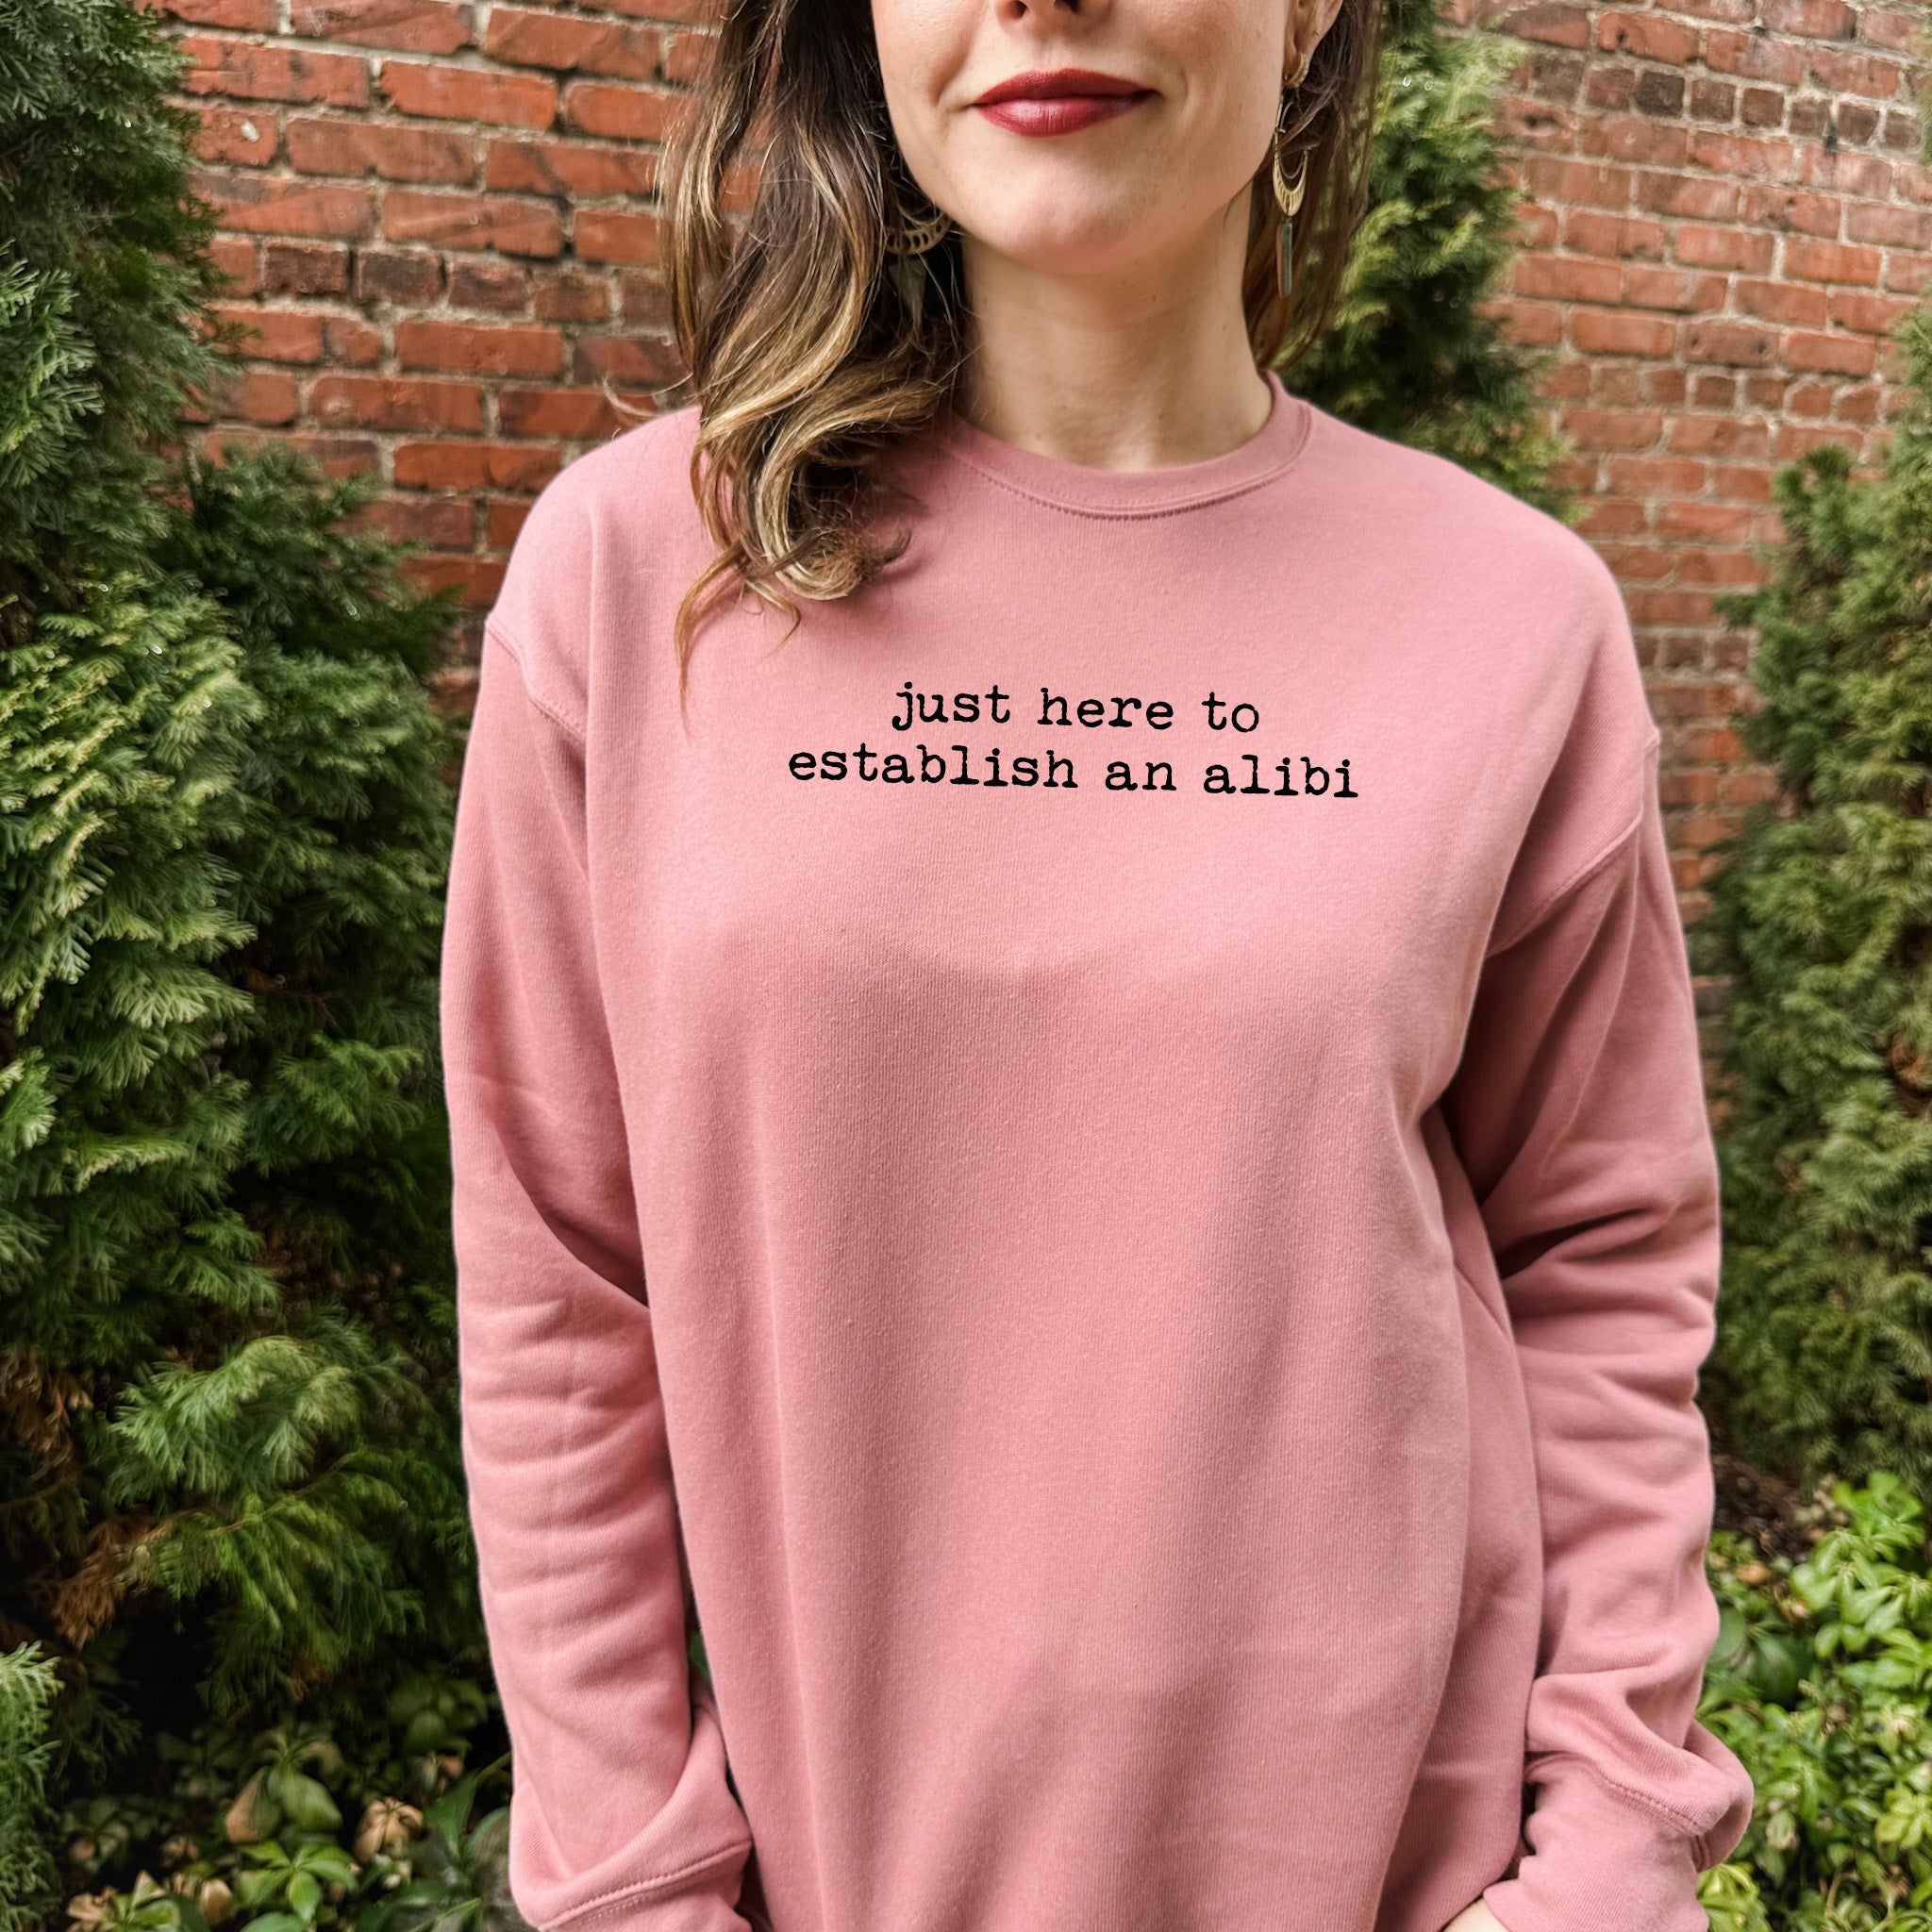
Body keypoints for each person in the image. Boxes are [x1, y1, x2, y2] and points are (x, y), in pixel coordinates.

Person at [437, 0, 1759, 1916]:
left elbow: (1606, 1266)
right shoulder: (644, 574)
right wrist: (638, 1888)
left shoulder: (1513, 619)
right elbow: (556, 1283)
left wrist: (1612, 1849)